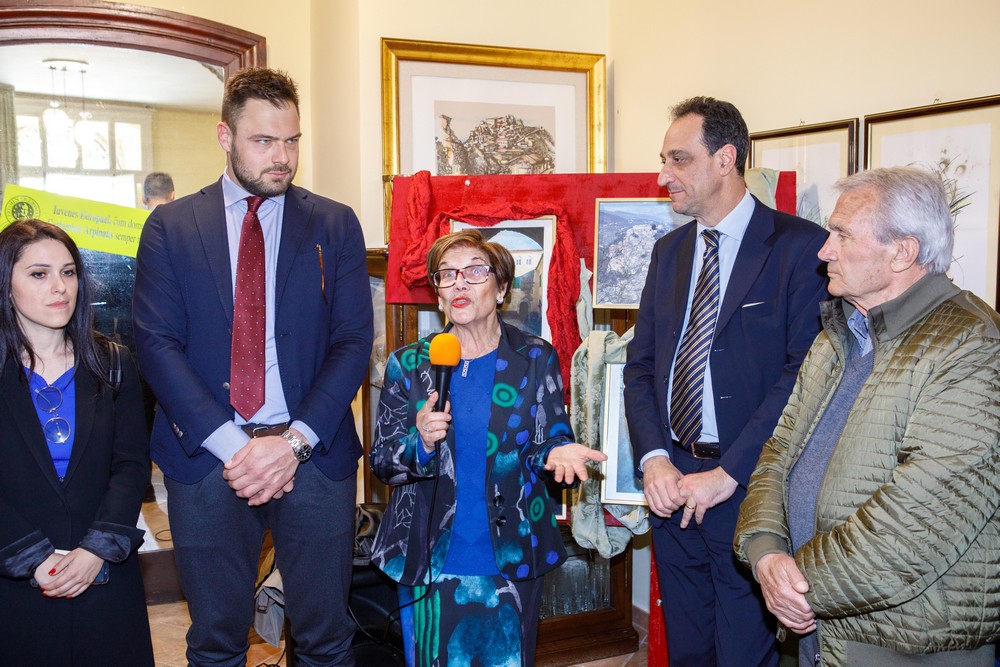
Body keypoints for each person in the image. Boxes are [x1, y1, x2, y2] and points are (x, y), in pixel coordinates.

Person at [133, 67, 373, 666]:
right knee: (216, 641)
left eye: (291, 140)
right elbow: (157, 344)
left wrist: (292, 444)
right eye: (264, 141)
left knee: (325, 639)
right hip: (207, 459)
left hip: (313, 454)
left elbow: (352, 341)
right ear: (225, 136)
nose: (282, 157)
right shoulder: (170, 227)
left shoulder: (334, 222)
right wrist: (235, 447)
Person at [734, 167, 1000, 666]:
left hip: (902, 646)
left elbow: (915, 527)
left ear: (902, 252)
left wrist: (794, 585)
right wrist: (766, 552)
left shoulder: (971, 346)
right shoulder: (838, 336)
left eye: (842, 235)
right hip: (818, 629)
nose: (823, 251)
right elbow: (778, 452)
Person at [622, 96, 830, 665]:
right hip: (672, 488)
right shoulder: (668, 252)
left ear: (725, 159)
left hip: (750, 487)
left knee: (744, 653)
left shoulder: (800, 248)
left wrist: (728, 473)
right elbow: (640, 367)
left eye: (679, 159)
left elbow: (802, 378)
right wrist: (654, 459)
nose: (663, 175)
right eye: (664, 159)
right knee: (688, 650)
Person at [370, 229, 606, 667]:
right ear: (438, 294)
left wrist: (555, 453)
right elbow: (382, 461)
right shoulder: (409, 364)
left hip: (512, 552)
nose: (459, 282)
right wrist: (420, 444)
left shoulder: (535, 357)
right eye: (447, 274)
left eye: (475, 272)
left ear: (502, 289)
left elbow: (549, 436)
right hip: (427, 555)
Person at [0, 219, 153, 666]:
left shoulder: (113, 362)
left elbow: (130, 466)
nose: (60, 287)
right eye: (39, 274)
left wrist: (95, 549)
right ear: (5, 284)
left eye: (68, 273)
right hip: (14, 573)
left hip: (103, 572)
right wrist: (32, 557)